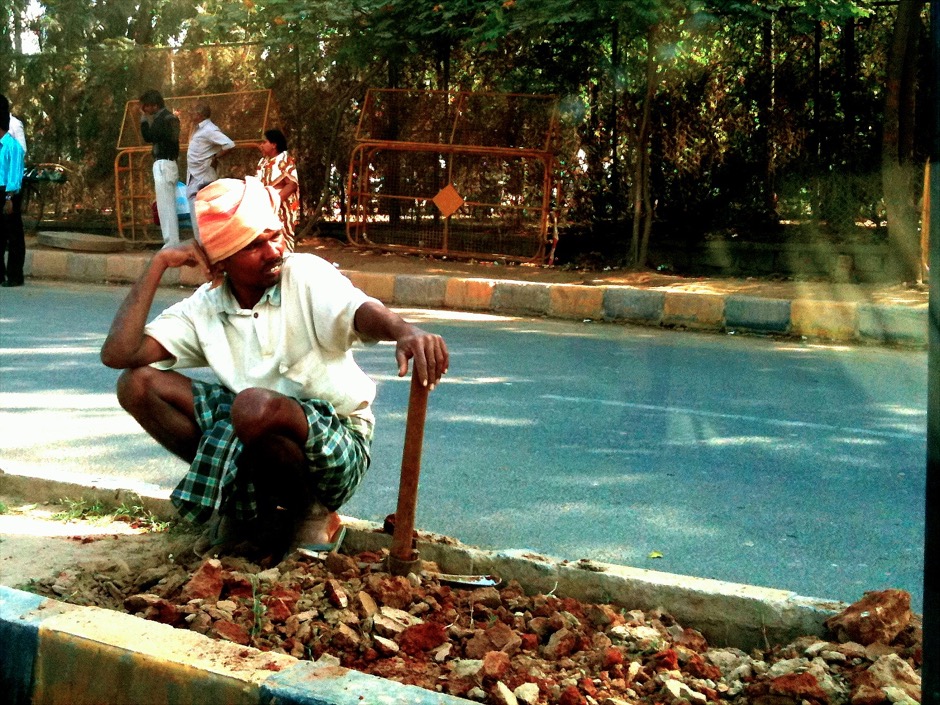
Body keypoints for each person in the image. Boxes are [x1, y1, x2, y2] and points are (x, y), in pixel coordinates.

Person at [100, 176, 448, 559]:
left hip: (335, 441)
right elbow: (120, 353)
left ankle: (311, 512)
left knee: (252, 407)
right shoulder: (206, 306)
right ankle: (246, 507)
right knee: (136, 385)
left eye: (274, 236)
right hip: (250, 428)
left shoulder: (304, 274)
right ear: (221, 261)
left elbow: (358, 310)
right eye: (253, 245)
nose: (273, 251)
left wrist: (403, 330)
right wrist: (159, 263)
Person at [186, 102, 235, 242]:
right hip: (195, 173)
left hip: (204, 174)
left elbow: (229, 144)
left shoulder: (209, 129)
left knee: (204, 211)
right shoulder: (197, 129)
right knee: (195, 209)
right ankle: (201, 243)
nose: (191, 115)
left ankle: (208, 244)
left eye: (193, 112)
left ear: (200, 115)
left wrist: (215, 157)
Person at [139, 89, 181, 248]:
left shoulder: (162, 119)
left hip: (164, 163)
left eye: (147, 107)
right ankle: (171, 241)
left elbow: (149, 136)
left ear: (155, 105)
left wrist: (143, 120)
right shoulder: (170, 118)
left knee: (166, 205)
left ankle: (171, 243)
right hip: (169, 163)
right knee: (167, 204)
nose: (146, 110)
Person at [256, 128, 300, 252]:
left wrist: (275, 202)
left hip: (282, 208)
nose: (261, 145)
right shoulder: (262, 162)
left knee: (282, 238)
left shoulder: (285, 161)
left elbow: (291, 185)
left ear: (274, 145)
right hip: (266, 207)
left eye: (264, 142)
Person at [0, 107, 27, 287]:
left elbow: (15, 174)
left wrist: (9, 198)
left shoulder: (13, 146)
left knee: (14, 235)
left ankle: (15, 275)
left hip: (9, 193)